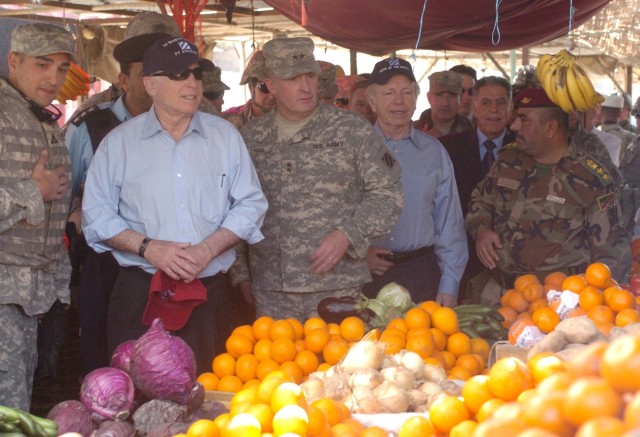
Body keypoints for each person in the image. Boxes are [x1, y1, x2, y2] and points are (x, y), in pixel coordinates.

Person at [81, 35, 268, 374]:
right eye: (179, 75)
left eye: (196, 74)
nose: (192, 84)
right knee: (138, 403)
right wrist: (150, 248)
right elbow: (96, 217)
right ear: (150, 84)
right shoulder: (119, 144)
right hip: (141, 293)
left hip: (209, 293)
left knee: (211, 401)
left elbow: (251, 204)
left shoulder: (224, 137)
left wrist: (207, 249)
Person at [239, 37, 403, 320]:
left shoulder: (352, 131)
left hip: (338, 289)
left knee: (343, 365)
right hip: (272, 293)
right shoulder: (250, 138)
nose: (306, 88)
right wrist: (241, 274)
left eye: (310, 76)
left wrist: (346, 235)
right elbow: (235, 207)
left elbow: (389, 194)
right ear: (271, 84)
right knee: (275, 365)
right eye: (293, 79)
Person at [64, 32, 169, 376]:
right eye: (146, 74)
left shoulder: (187, 125)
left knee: (166, 365)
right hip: (107, 267)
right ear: (124, 80)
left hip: (170, 267)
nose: (157, 81)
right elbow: (66, 196)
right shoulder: (91, 127)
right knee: (107, 363)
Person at [465, 88, 631, 304]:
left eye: (523, 119)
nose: (513, 126)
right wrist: (482, 229)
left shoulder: (591, 180)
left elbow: (612, 257)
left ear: (551, 127)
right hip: (497, 296)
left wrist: (590, 307)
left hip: (557, 303)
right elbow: (480, 201)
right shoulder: (508, 161)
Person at [0, 22, 74, 410]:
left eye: (61, 68)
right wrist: (34, 192)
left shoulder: (37, 116)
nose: (53, 78)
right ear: (14, 60)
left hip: (29, 298)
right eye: (42, 65)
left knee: (18, 413)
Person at [363, 58, 467, 307]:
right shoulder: (354, 149)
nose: (399, 101)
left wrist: (450, 284)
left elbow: (449, 222)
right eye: (389, 93)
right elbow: (334, 217)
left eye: (406, 92)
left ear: (416, 99)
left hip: (420, 273)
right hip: (367, 274)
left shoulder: (434, 152)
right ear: (373, 102)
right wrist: (357, 257)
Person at [439, 76, 515, 302]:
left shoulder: (523, 148)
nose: (494, 109)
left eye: (501, 102)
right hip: (461, 258)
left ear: (510, 108)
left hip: (510, 261)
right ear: (473, 107)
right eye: (486, 102)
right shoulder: (448, 147)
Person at [223, 50, 276, 129]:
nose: (272, 96)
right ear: (251, 87)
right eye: (264, 87)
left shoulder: (296, 121)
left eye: (277, 88)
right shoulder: (227, 122)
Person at [415, 70, 472, 138]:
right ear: (429, 97)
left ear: (460, 98)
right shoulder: (411, 132)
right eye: (439, 95)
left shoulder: (472, 133)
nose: (445, 103)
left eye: (452, 95)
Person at [599, 94, 636, 162]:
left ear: (600, 111)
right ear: (619, 113)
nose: (628, 113)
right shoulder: (632, 138)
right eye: (628, 110)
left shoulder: (593, 136)